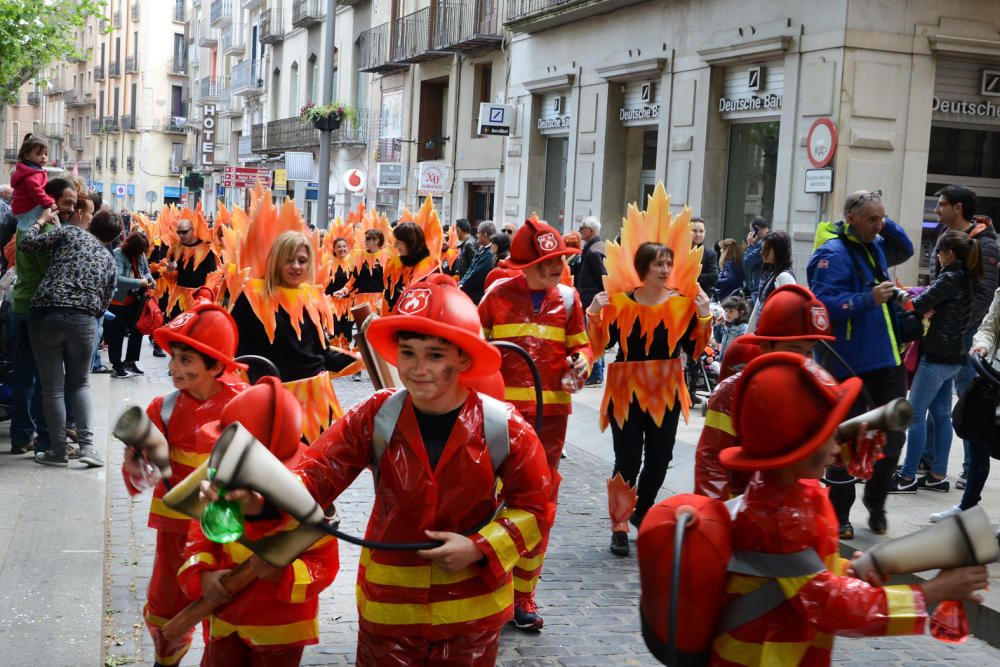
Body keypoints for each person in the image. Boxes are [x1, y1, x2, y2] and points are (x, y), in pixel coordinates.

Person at [207, 275, 553, 666]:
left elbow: (536, 508)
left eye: (435, 355)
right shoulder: (376, 415)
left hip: (470, 618)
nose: (418, 368)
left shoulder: (503, 427)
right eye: (407, 353)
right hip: (388, 614)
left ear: (464, 358)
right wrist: (261, 499)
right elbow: (316, 474)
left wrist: (479, 546)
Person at [708, 351, 988, 666]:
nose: (836, 444)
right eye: (827, 434)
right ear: (795, 447)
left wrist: (844, 570)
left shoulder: (787, 491)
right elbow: (832, 607)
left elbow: (796, 577)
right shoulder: (780, 514)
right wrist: (933, 592)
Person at [477, 217, 590, 629]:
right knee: (490, 503)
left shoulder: (571, 300)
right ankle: (491, 587)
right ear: (524, 265)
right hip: (498, 421)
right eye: (546, 263)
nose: (555, 269)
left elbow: (582, 350)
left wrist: (581, 363)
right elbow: (473, 352)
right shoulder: (495, 296)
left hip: (550, 423)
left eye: (559, 261)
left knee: (539, 508)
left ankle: (524, 595)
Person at [177, 378, 339, 665]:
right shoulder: (220, 485)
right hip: (225, 621)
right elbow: (199, 537)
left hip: (281, 630)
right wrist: (202, 575)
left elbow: (324, 565)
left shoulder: (308, 504)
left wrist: (284, 574)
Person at [123, 302, 248, 667]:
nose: (174, 367)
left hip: (227, 531)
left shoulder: (243, 405)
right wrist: (136, 464)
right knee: (166, 606)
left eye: (186, 360)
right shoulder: (162, 407)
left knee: (226, 606)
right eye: (173, 357)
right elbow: (141, 470)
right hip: (175, 530)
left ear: (216, 364)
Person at [587, 242, 712, 556]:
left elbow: (696, 349)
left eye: (668, 263)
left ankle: (642, 512)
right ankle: (619, 524)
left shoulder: (681, 306)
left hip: (666, 389)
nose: (665, 270)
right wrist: (594, 313)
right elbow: (600, 345)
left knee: (660, 458)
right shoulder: (619, 304)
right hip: (625, 389)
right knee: (627, 459)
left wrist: (704, 317)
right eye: (658, 264)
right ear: (643, 267)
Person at [807, 189, 914, 538]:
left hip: (888, 359)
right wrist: (867, 298)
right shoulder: (831, 254)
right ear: (851, 217)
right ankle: (840, 514)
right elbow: (823, 306)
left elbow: (908, 248)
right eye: (872, 218)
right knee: (846, 441)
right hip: (848, 365)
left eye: (883, 217)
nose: (879, 225)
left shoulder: (878, 242)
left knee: (894, 438)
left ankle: (876, 501)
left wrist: (883, 221)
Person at [693, 285, 835, 501]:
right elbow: (711, 460)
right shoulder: (730, 393)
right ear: (766, 347)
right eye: (796, 350)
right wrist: (717, 515)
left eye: (809, 351)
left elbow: (817, 447)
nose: (803, 361)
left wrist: (850, 448)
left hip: (792, 502)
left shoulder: (809, 388)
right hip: (743, 505)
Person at [19, 201, 120, 467]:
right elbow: (104, 302)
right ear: (112, 237)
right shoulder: (110, 261)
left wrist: (40, 221)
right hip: (84, 322)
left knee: (52, 388)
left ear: (91, 221)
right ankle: (87, 447)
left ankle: (58, 451)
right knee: (80, 384)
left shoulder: (71, 233)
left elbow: (27, 243)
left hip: (46, 315)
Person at [892, 231, 982, 493]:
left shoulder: (950, 277)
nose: (937, 257)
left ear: (949, 254)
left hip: (936, 357)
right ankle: (938, 475)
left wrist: (897, 293)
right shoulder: (966, 278)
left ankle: (907, 477)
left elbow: (917, 305)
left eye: (938, 253)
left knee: (915, 415)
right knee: (942, 415)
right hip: (954, 357)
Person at [931, 185, 999, 489]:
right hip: (945, 331)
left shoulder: (986, 243)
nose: (936, 210)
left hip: (968, 333)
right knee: (939, 402)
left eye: (941, 205)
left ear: (958, 207)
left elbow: (985, 294)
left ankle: (971, 469)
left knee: (969, 402)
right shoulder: (944, 236)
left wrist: (962, 327)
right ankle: (931, 464)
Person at [8, 177, 77, 456]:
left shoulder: (26, 226)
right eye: (66, 202)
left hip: (21, 304)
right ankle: (44, 438)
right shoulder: (47, 230)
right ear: (50, 200)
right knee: (45, 378)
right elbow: (54, 270)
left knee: (24, 374)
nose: (70, 208)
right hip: (38, 310)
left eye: (73, 203)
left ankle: (21, 436)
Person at [936, 286, 1000, 522]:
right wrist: (982, 344)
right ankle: (968, 506)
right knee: (976, 440)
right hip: (993, 377)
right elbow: (989, 326)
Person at [107, 231, 155, 378]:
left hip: (136, 300)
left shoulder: (140, 255)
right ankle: (116, 365)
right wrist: (138, 282)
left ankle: (130, 361)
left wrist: (151, 280)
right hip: (118, 301)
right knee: (117, 335)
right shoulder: (118, 254)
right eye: (139, 250)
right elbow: (118, 278)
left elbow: (146, 271)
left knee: (137, 331)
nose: (141, 254)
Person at [577, 217, 608, 386]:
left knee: (593, 335)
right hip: (589, 298)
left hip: (592, 300)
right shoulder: (592, 248)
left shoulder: (594, 251)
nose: (580, 230)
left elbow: (603, 277)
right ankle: (596, 372)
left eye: (583, 227)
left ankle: (596, 373)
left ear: (592, 231)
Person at [747, 230, 795, 332]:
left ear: (778, 251)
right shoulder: (769, 273)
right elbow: (759, 306)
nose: (761, 252)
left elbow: (788, 314)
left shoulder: (784, 277)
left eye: (766, 249)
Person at [10, 134, 56, 229]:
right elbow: (36, 191)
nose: (43, 157)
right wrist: (50, 203)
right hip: (27, 209)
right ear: (27, 155)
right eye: (39, 154)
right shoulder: (32, 174)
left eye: (45, 154)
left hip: (22, 209)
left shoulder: (32, 171)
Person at [458, 220, 496, 304]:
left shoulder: (489, 254)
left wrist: (462, 286)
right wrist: (461, 283)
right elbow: (471, 269)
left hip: (477, 297)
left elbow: (476, 275)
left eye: (478, 233)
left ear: (485, 235)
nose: (476, 235)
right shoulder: (483, 249)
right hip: (471, 294)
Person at [742, 216, 769, 306]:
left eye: (751, 231)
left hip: (758, 288)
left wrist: (750, 245)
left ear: (757, 229)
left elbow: (748, 261)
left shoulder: (762, 243)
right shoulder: (766, 240)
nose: (750, 233)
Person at [715, 294, 748, 359]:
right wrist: (717, 325)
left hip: (733, 361)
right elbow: (718, 340)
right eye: (726, 311)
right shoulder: (727, 325)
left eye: (731, 311)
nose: (727, 314)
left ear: (741, 313)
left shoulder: (744, 328)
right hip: (723, 359)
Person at [691, 216, 718, 294]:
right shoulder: (678, 251)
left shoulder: (711, 254)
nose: (698, 234)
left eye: (701, 231)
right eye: (694, 231)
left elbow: (714, 277)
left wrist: (690, 276)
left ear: (705, 232)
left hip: (700, 298)